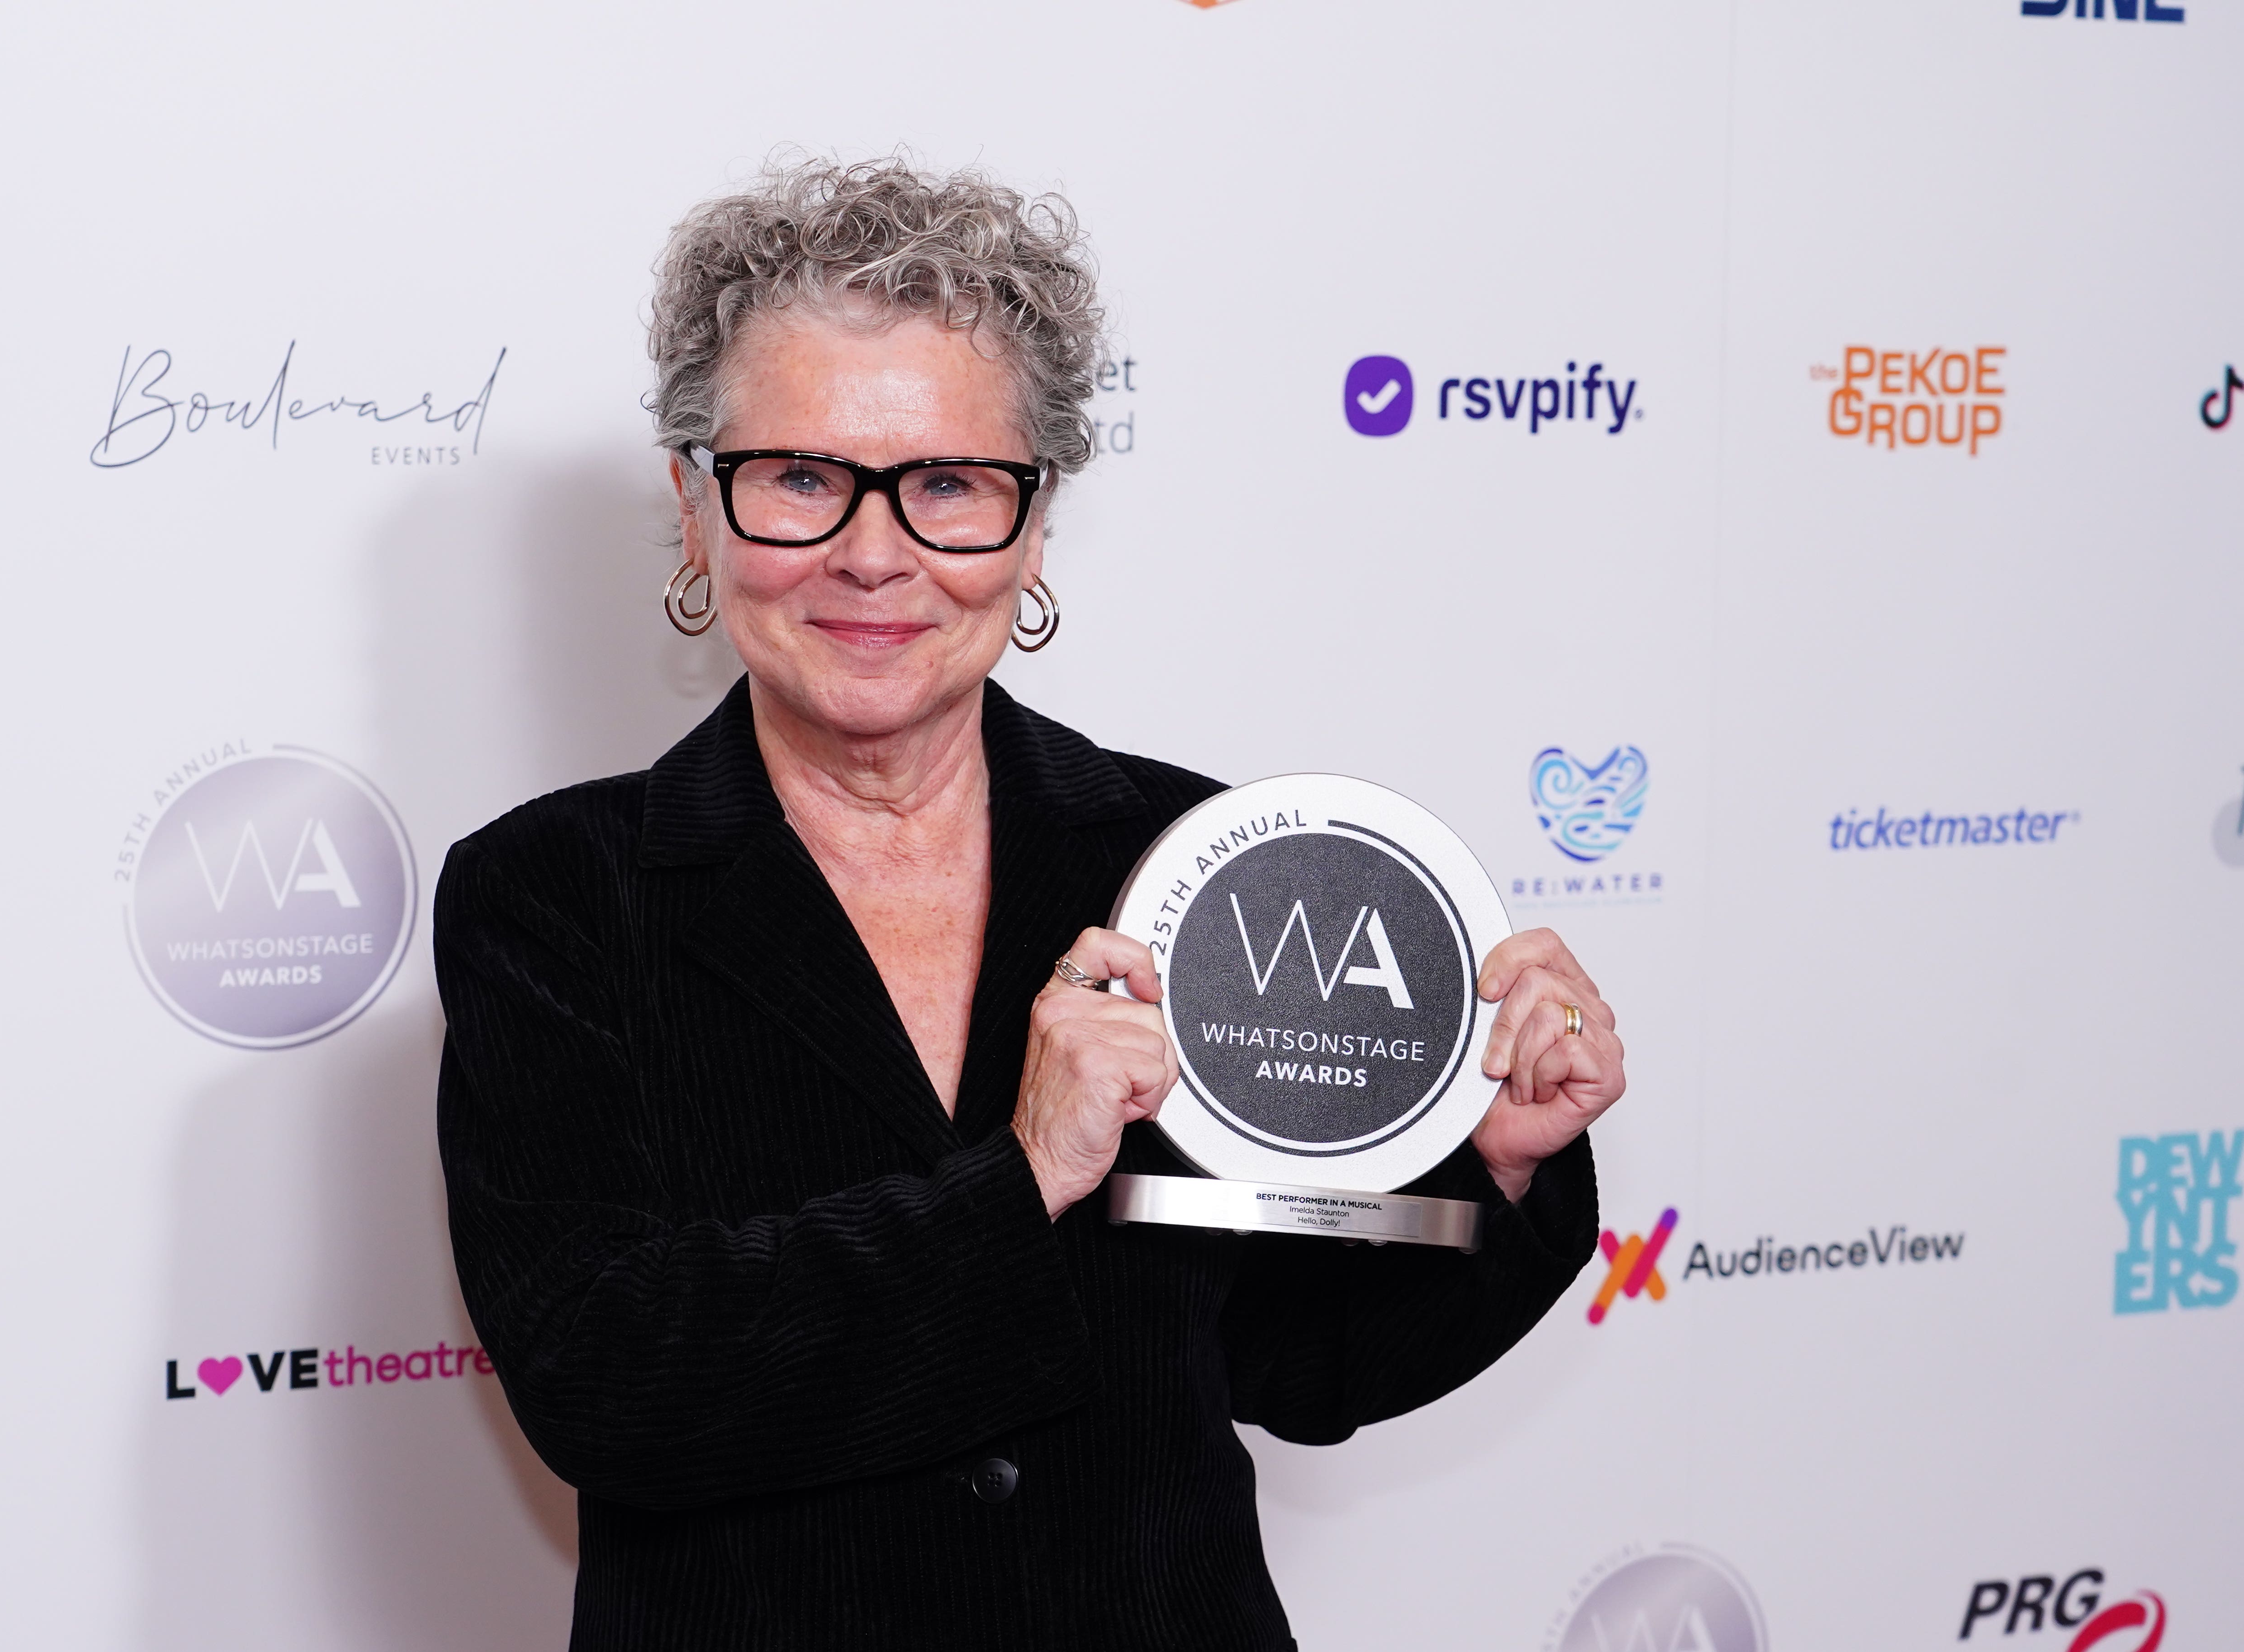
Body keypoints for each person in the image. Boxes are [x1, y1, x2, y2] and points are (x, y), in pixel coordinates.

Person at [434, 156, 1627, 1652]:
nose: (874, 554)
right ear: (695, 508)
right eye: (799, 478)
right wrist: (1024, 1177)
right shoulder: (552, 897)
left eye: (948, 485)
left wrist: (1493, 1169)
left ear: (1035, 524)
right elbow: (607, 1382)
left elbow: (1295, 1359)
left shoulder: (1194, 859)